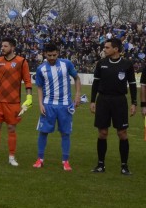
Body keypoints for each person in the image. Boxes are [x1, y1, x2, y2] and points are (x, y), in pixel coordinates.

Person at [32, 43, 81, 171]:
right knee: (43, 132)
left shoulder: (67, 64)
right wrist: (41, 104)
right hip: (48, 105)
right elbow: (39, 87)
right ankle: (40, 159)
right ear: (45, 54)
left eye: (54, 55)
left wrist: (77, 94)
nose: (52, 57)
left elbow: (76, 78)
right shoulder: (41, 68)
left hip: (65, 105)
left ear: (58, 53)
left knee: (65, 133)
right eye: (49, 55)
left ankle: (65, 161)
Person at [90, 37, 136, 175]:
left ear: (116, 49)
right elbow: (95, 83)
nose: (104, 49)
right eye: (104, 47)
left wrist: (134, 103)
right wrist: (92, 101)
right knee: (103, 133)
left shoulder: (127, 64)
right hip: (103, 100)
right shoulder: (101, 63)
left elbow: (133, 85)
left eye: (107, 47)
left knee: (122, 133)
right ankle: (100, 165)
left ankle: (124, 166)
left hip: (119, 101)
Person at [0, 37, 32, 166]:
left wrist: (29, 98)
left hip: (13, 102)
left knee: (11, 128)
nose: (2, 48)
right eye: (2, 46)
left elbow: (28, 81)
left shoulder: (21, 62)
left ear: (12, 47)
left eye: (5, 46)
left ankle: (12, 157)